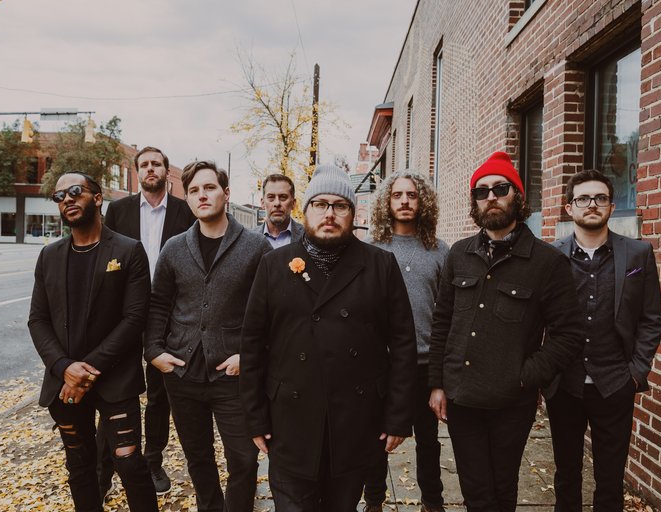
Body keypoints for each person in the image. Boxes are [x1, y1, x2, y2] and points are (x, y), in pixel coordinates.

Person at [240, 164, 418, 511]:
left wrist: (398, 416)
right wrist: (255, 416)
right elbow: (252, 345)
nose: (330, 213)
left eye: (341, 205)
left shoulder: (380, 265)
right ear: (304, 211)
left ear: (353, 213)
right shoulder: (275, 265)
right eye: (320, 204)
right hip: (289, 421)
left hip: (354, 419)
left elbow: (402, 344)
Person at [428, 151, 584, 512]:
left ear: (518, 195)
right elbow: (442, 321)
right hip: (461, 396)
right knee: (475, 489)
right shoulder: (459, 254)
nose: (491, 197)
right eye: (482, 192)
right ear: (475, 202)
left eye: (501, 188)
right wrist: (437, 382)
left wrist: (526, 375)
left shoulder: (547, 263)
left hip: (511, 402)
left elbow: (569, 334)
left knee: (502, 487)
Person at [144, 161, 271, 512]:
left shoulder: (256, 247)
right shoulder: (174, 248)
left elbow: (275, 311)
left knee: (243, 459)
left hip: (233, 373)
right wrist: (154, 350)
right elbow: (158, 304)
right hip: (182, 371)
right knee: (198, 459)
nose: (202, 195)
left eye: (210, 187)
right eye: (195, 190)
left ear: (225, 194)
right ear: (188, 199)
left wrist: (251, 355)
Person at [28, 172, 158, 512]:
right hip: (65, 383)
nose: (67, 199)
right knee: (80, 467)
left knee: (129, 463)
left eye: (75, 191)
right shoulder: (50, 256)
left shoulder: (129, 251)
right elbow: (38, 320)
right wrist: (64, 367)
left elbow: (134, 320)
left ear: (97, 198)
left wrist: (87, 370)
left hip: (116, 380)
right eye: (59, 196)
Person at [546, 169, 661, 512]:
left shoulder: (638, 254)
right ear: (570, 208)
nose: (592, 204)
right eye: (583, 198)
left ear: (612, 206)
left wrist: (636, 372)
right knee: (566, 475)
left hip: (615, 383)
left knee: (610, 480)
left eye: (600, 198)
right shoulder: (552, 258)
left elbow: (652, 318)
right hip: (563, 385)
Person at [99, 145, 195, 496]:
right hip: (124, 314)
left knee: (159, 395)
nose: (150, 169)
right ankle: (105, 469)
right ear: (137, 171)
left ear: (166, 173)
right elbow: (103, 254)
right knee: (112, 391)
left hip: (168, 316)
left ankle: (152, 462)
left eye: (156, 164)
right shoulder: (119, 209)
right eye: (144, 164)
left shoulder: (186, 212)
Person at [364, 170, 449, 512]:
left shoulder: (440, 251)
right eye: (397, 195)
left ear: (422, 201)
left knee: (428, 442)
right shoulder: (370, 250)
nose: (404, 201)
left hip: (425, 365)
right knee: (376, 439)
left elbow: (447, 315)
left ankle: (433, 502)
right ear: (387, 201)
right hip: (381, 364)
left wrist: (441, 376)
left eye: (411, 195)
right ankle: (373, 502)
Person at [258, 173, 304, 247]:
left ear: (293, 203)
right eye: (271, 197)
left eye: (283, 197)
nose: (277, 203)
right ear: (263, 203)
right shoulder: (248, 240)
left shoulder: (308, 238)